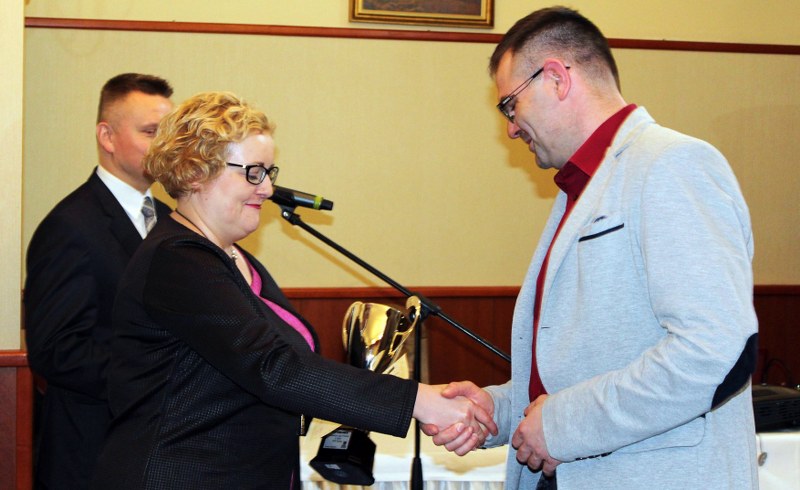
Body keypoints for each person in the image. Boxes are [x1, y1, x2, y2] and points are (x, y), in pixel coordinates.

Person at [89, 91, 496, 489]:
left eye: (270, 172)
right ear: (195, 172)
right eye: (253, 172)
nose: (267, 189)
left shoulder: (230, 257)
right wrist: (418, 401)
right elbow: (275, 367)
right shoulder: (177, 259)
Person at [425, 6, 759, 489]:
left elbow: (714, 352)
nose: (511, 128)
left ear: (557, 78)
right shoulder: (581, 189)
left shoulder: (671, 164)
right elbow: (581, 372)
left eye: (510, 105)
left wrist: (562, 425)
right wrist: (498, 409)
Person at [24, 73, 174, 489]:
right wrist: (162, 378)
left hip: (158, 449)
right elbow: (57, 350)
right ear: (107, 136)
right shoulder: (70, 226)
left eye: (168, 133)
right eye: (150, 132)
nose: (165, 146)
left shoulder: (171, 220)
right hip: (92, 452)